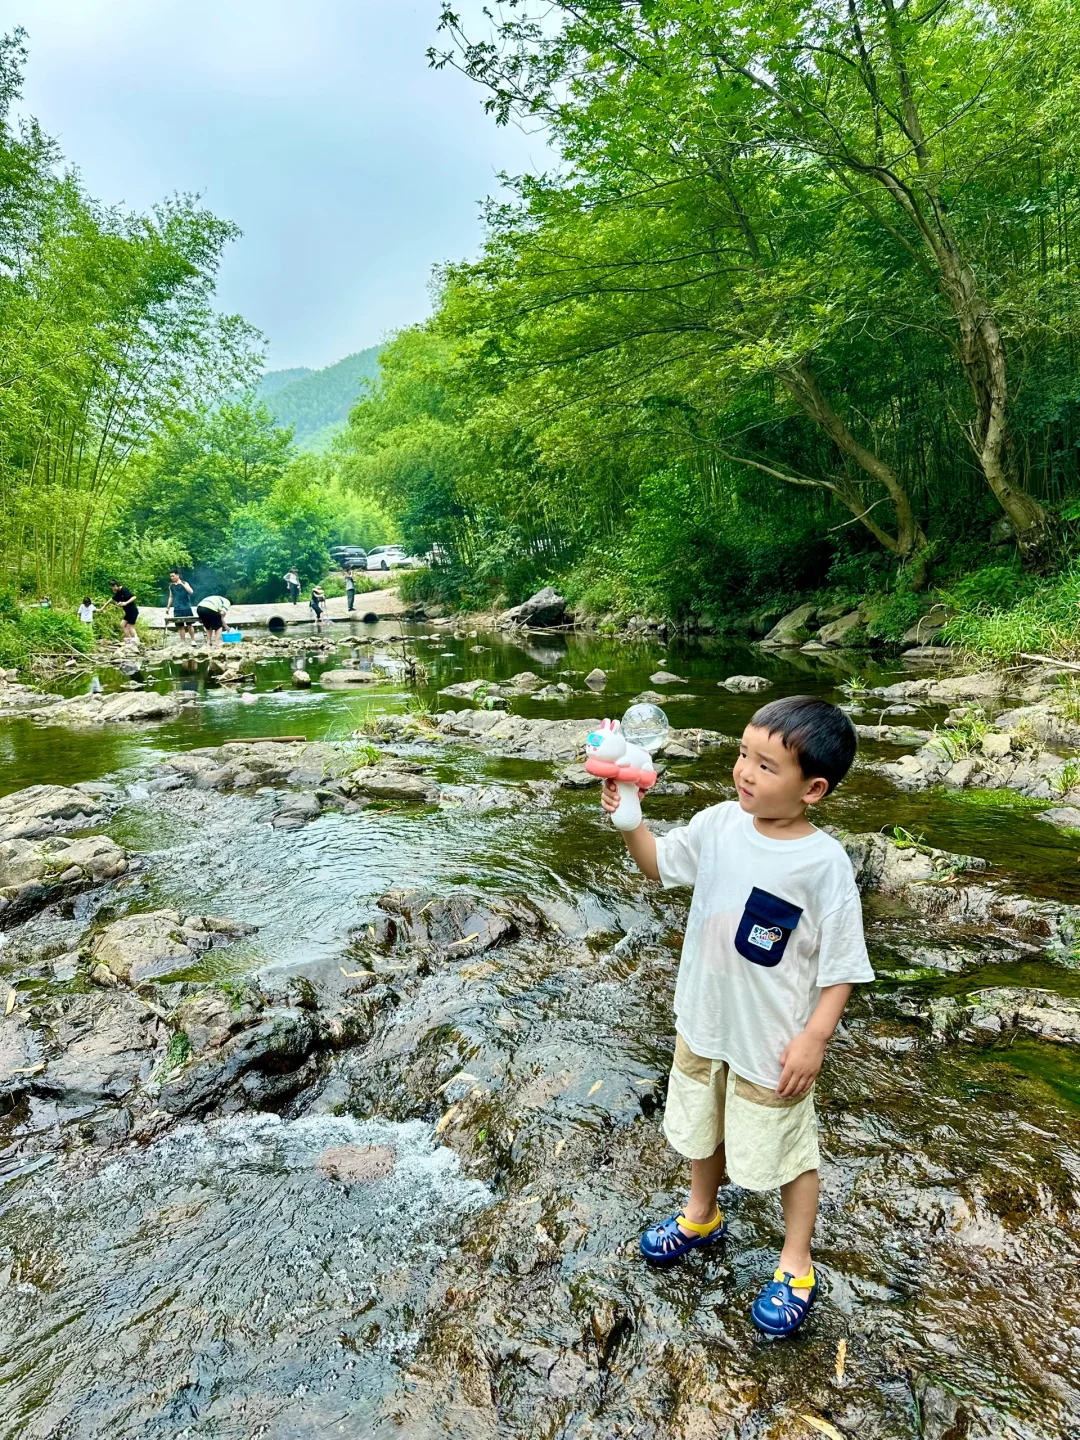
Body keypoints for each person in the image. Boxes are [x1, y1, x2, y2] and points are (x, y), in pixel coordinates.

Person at [605, 695, 873, 1337]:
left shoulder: (824, 866)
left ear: (814, 789)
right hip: (705, 1016)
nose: (745, 772)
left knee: (786, 1148)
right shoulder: (722, 823)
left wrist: (814, 1038)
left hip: (772, 1039)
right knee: (704, 1120)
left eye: (765, 765)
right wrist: (631, 821)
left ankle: (795, 1262)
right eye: (743, 755)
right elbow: (659, 865)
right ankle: (701, 1213)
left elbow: (841, 969)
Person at [104, 580, 139, 644]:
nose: (112, 589)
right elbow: (111, 600)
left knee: (131, 627)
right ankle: (129, 640)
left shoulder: (124, 589)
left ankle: (136, 640)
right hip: (128, 612)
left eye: (112, 588)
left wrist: (125, 603)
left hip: (133, 611)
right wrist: (103, 607)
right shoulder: (118, 593)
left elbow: (134, 597)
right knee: (122, 625)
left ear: (115, 586)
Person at [165, 570, 196, 644]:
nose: (172, 577)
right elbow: (171, 597)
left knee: (189, 624)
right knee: (180, 626)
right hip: (177, 608)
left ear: (177, 575)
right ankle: (182, 642)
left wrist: (182, 584)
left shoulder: (185, 583)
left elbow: (191, 592)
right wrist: (168, 607)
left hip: (186, 607)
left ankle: (193, 640)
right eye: (171, 576)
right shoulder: (171, 586)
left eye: (173, 576)